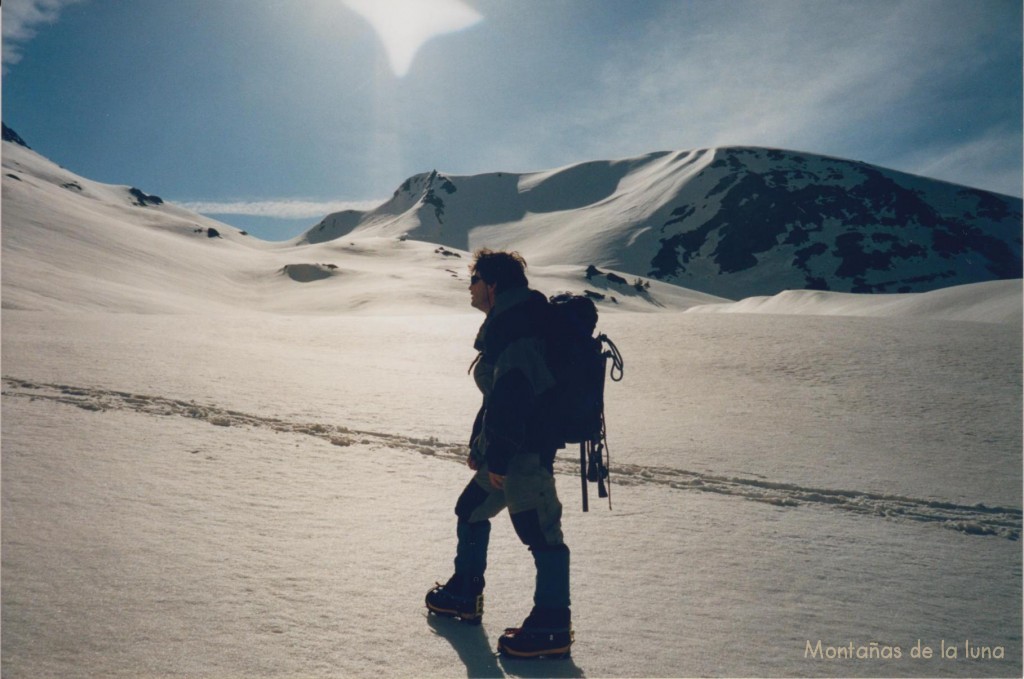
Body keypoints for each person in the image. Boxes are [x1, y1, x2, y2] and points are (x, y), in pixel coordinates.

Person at [426, 248, 573, 658]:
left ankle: (552, 625)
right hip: (505, 452)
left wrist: (502, 460)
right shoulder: (509, 322)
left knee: (541, 533)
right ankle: (464, 593)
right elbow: (498, 397)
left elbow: (515, 394)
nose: (469, 289)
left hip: (523, 456)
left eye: (473, 281)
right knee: (469, 509)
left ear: (492, 285)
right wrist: (483, 447)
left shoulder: (517, 327)